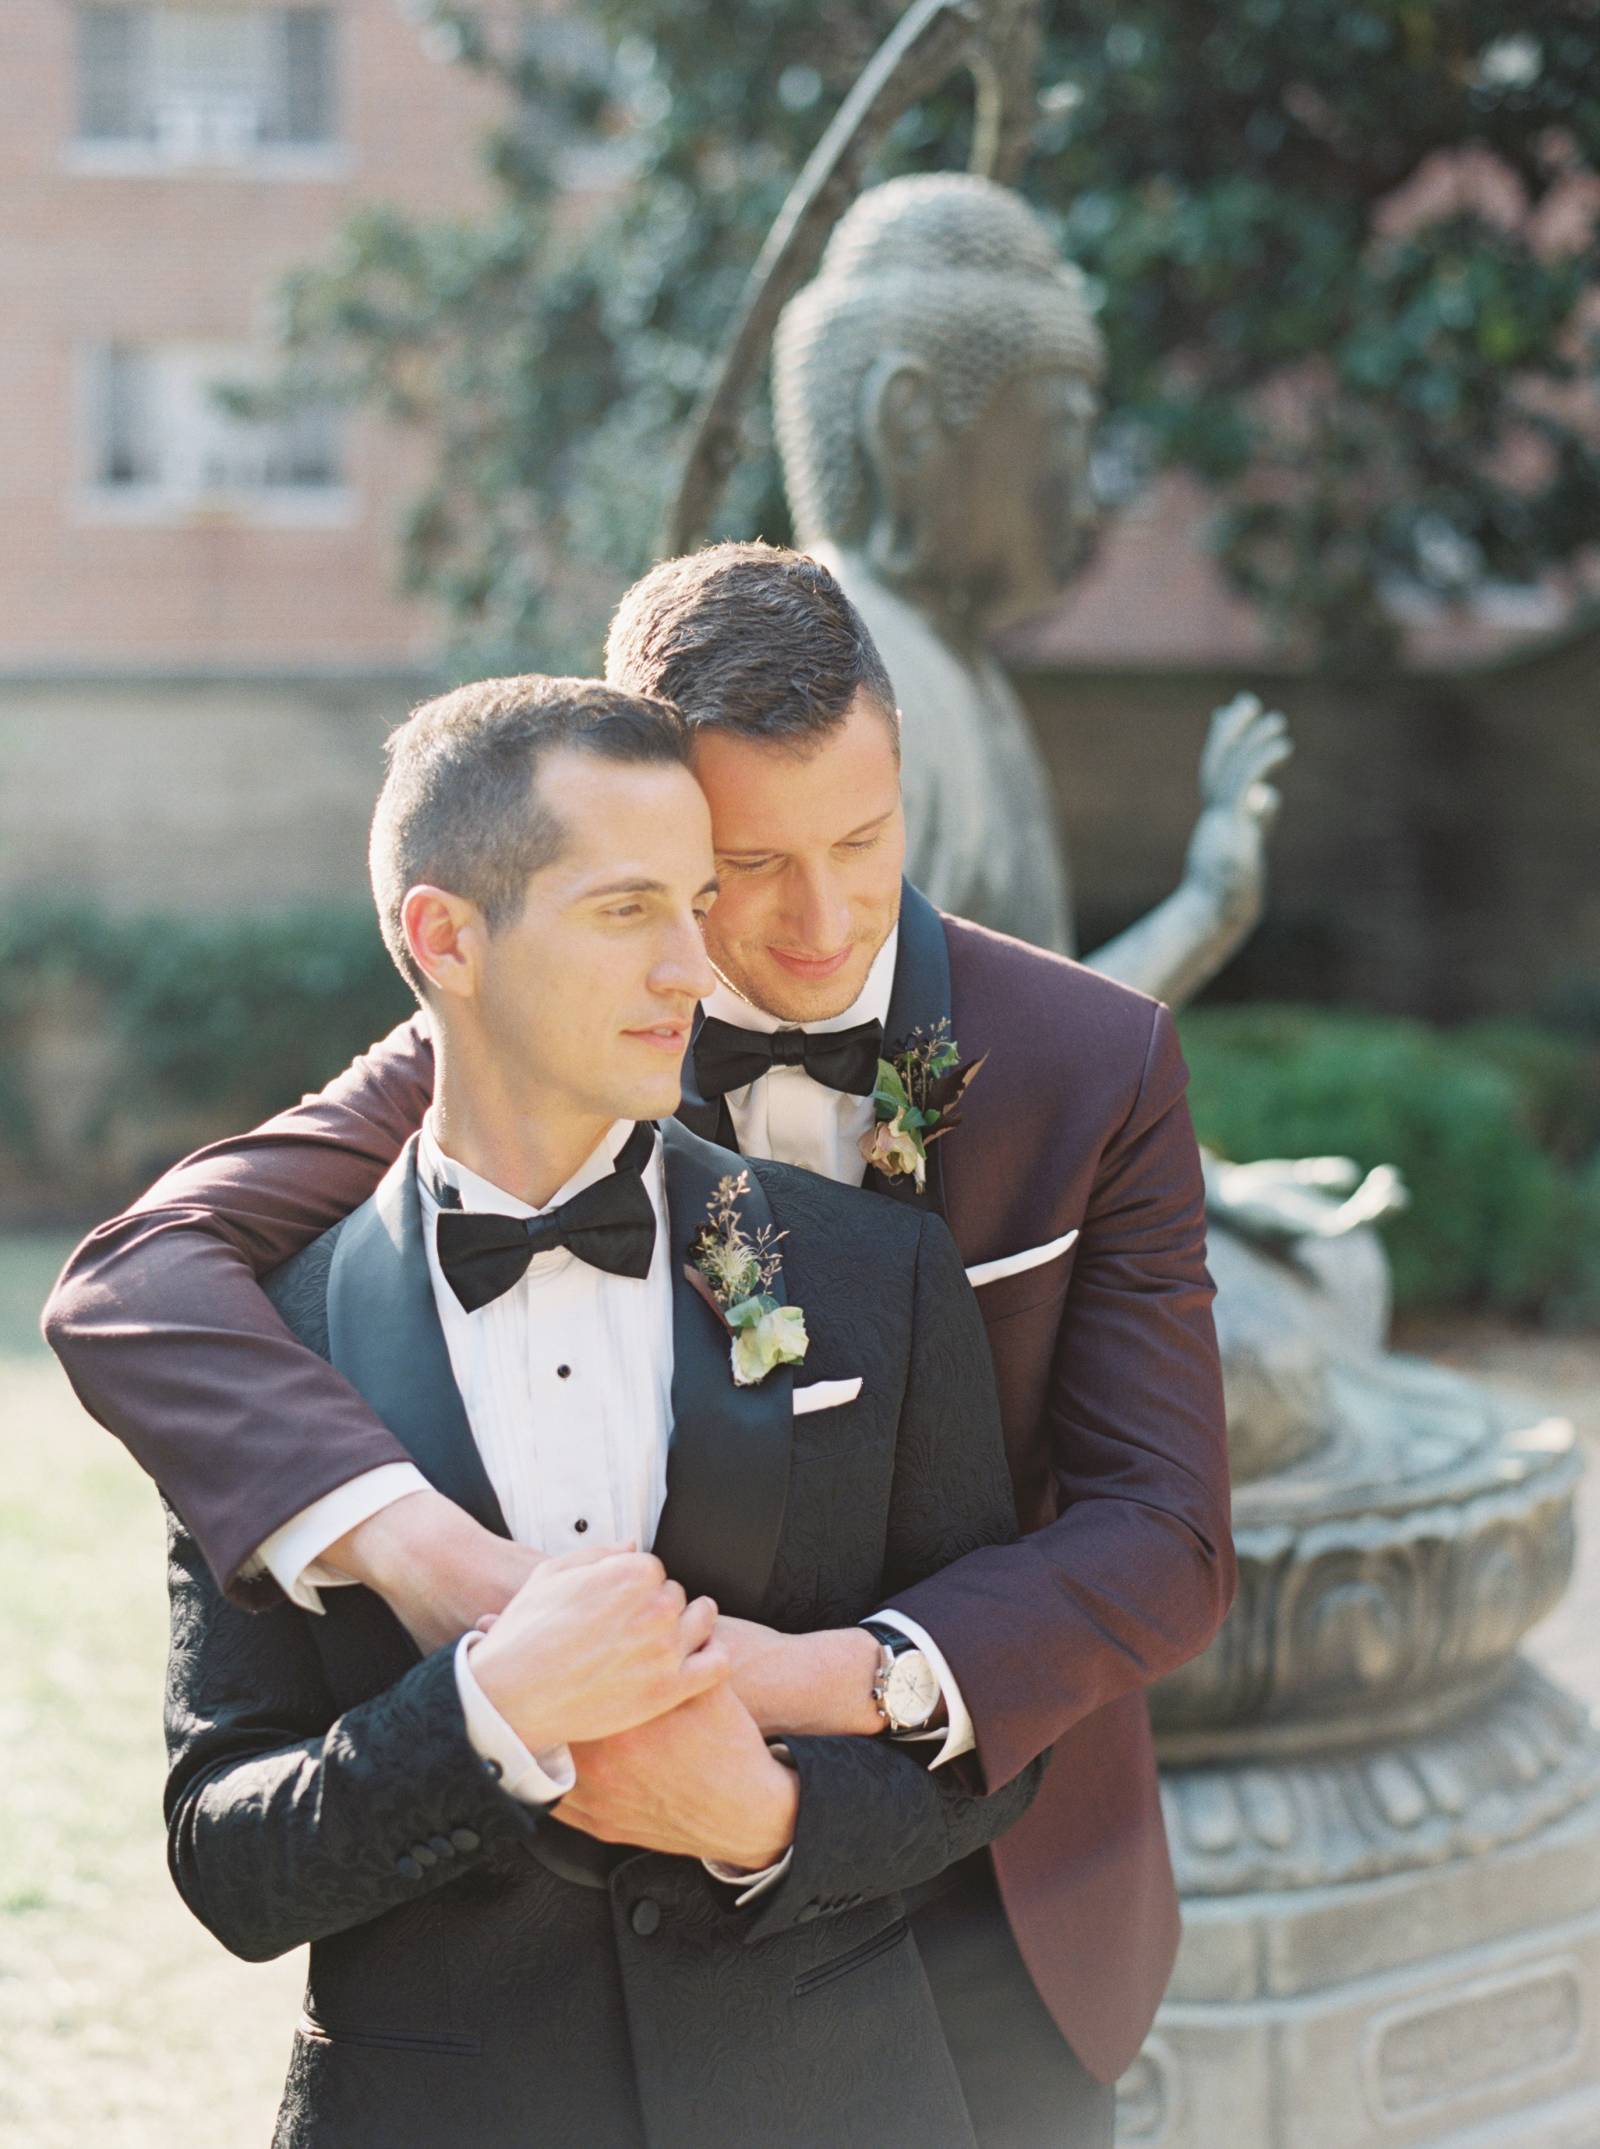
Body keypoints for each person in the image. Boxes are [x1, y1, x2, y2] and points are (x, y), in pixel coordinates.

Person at [47, 548, 1234, 2146]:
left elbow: (1165, 1530)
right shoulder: (535, 1018)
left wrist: (804, 1688)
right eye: (745, 864)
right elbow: (135, 1275)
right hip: (514, 2004)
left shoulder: (1090, 1060)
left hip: (999, 1873)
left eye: (866, 839)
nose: (821, 921)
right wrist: (445, 1570)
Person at [153, 674, 1039, 2147]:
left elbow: (1005, 1739)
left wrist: (770, 1818)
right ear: (447, 938)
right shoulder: (278, 1342)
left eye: (698, 905)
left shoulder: (876, 1271)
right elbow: (224, 1857)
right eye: (629, 911)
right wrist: (483, 1716)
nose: (696, 967)